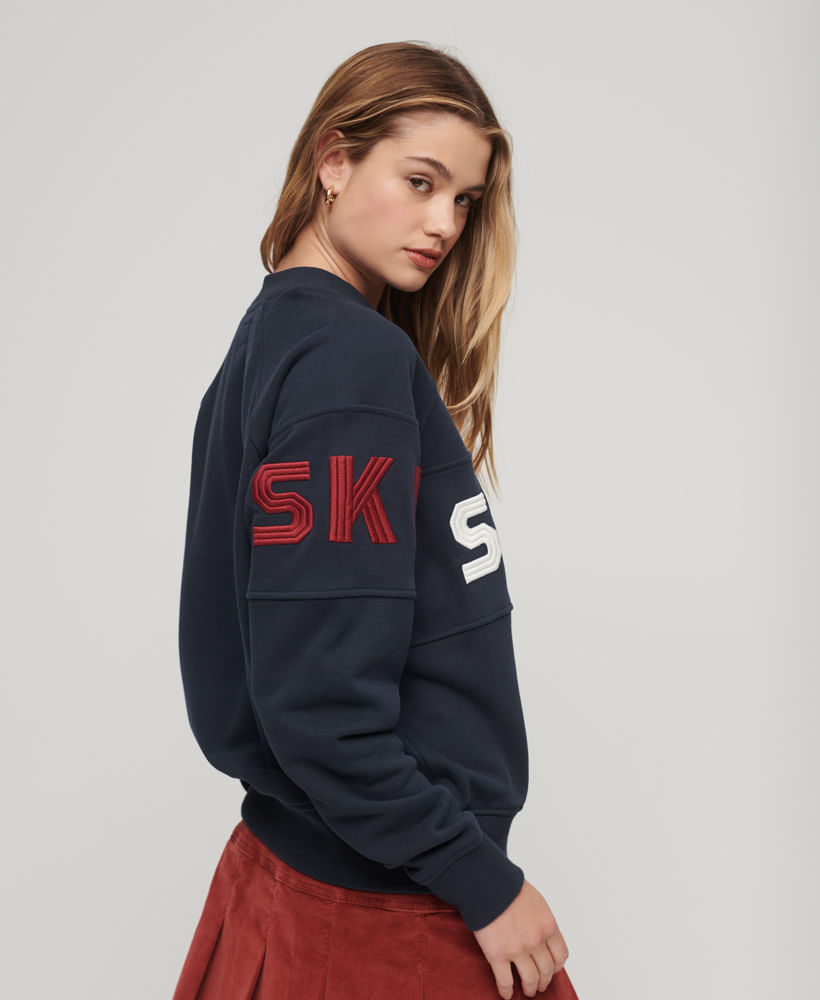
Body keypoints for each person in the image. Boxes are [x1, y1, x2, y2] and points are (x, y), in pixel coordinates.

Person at [173, 40, 579, 1000]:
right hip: (380, 916)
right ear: (334, 161)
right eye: (420, 181)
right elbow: (319, 703)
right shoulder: (346, 362)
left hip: (310, 877)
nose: (445, 224)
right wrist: (479, 877)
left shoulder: (279, 334)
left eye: (465, 200)